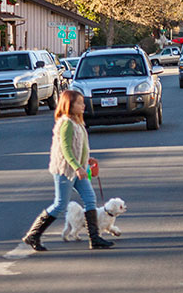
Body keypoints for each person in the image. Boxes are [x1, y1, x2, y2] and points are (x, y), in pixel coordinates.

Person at [21, 89, 114, 251]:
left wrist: (87, 160)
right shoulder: (66, 123)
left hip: (79, 168)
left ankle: (95, 238)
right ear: (69, 105)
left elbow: (79, 146)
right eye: (79, 103)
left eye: (82, 102)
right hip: (65, 169)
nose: (83, 105)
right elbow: (66, 149)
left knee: (90, 199)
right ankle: (33, 235)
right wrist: (77, 167)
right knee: (60, 204)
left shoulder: (78, 122)